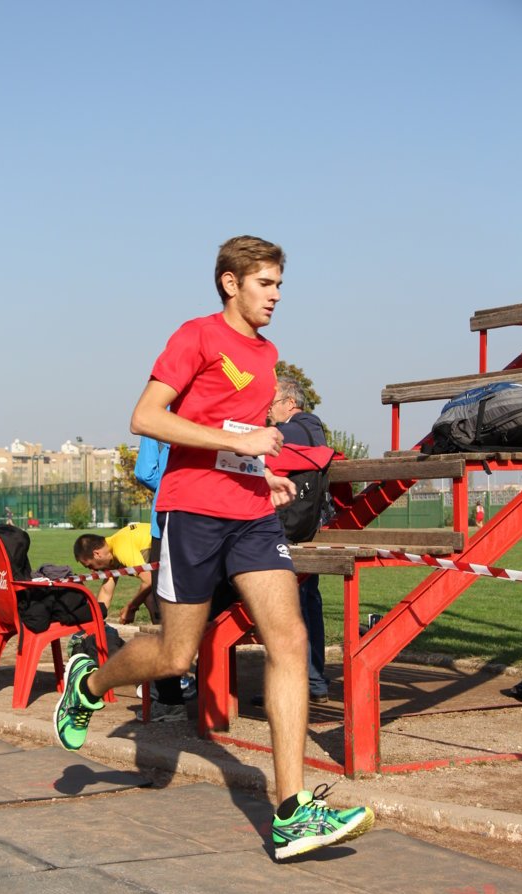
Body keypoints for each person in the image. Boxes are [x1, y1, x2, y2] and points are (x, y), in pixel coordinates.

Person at [54, 235, 373, 861]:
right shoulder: (195, 336)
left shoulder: (267, 354)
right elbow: (146, 418)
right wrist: (244, 445)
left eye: (280, 285)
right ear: (231, 283)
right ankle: (90, 683)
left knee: (289, 640)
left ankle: (291, 811)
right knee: (177, 654)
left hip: (251, 515)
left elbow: (237, 434)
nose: (276, 296)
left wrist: (261, 470)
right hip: (193, 513)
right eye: (265, 284)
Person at [269, 377, 330, 704]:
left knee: (295, 604)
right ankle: (312, 680)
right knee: (306, 601)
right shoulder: (311, 428)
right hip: (305, 527)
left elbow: (266, 444)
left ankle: (304, 681)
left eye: (272, 404)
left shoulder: (295, 428)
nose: (269, 411)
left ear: (290, 403)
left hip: (291, 529)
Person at [134, 436, 188, 721]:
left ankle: (170, 700)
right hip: (216, 520)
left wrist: (169, 486)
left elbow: (145, 472)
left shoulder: (160, 418)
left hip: (170, 522)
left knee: (166, 611)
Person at [73, 524, 159, 626]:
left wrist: (131, 607)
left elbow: (149, 581)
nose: (93, 571)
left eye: (90, 565)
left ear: (97, 554)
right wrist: (94, 623)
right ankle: (163, 631)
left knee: (151, 596)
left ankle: (166, 632)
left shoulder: (121, 548)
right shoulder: (111, 549)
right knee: (148, 596)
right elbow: (106, 592)